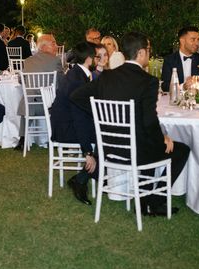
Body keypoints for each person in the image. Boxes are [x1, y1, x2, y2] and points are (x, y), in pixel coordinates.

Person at [70, 32, 189, 216]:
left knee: (152, 143)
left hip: (109, 149)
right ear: (141, 53)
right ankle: (153, 202)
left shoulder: (106, 77)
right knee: (180, 149)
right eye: (148, 50)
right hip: (136, 151)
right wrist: (162, 139)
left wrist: (100, 113)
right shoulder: (148, 81)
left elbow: (76, 96)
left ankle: (145, 201)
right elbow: (149, 122)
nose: (149, 54)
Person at [50, 42, 98, 205]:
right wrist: (88, 152)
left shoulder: (76, 73)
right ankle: (82, 180)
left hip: (65, 122)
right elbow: (80, 118)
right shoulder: (78, 80)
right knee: (106, 136)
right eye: (97, 57)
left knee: (104, 132)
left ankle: (88, 176)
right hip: (66, 128)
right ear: (90, 60)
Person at [14, 34, 65, 151]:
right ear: (43, 47)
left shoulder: (27, 61)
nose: (56, 46)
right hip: (50, 106)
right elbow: (61, 83)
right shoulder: (56, 60)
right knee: (66, 102)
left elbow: (21, 80)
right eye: (53, 43)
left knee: (27, 99)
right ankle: (59, 137)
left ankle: (22, 139)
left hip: (30, 106)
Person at [160, 26, 199, 92]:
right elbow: (165, 86)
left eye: (198, 39)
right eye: (193, 39)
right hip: (177, 99)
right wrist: (183, 86)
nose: (197, 43)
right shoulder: (169, 60)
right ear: (182, 41)